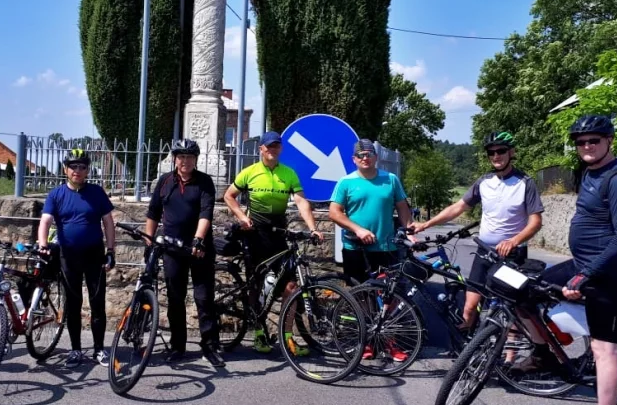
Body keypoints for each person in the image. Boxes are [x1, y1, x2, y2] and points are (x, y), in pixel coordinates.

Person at [539, 115, 617, 405]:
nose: (586, 147)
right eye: (581, 142)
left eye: (593, 141)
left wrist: (585, 276)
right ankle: (545, 354)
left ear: (609, 141)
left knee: (605, 350)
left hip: (608, 274)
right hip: (583, 265)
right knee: (527, 292)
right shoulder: (590, 173)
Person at [411, 131, 544, 331]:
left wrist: (514, 241)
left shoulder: (525, 183)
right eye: (491, 153)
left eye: (501, 151)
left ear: (511, 152)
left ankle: (509, 358)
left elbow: (535, 221)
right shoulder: (484, 182)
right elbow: (457, 208)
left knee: (510, 309)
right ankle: (469, 352)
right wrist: (425, 225)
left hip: (512, 255)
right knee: (470, 306)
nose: (496, 156)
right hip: (484, 252)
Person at [223, 131, 323, 354]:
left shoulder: (288, 173)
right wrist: (242, 217)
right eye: (269, 146)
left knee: (291, 287)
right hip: (254, 236)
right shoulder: (250, 172)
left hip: (279, 236)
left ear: (281, 149)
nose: (272, 150)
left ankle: (287, 338)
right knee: (255, 285)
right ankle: (259, 333)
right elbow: (229, 195)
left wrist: (313, 228)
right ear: (261, 149)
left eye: (276, 146)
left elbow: (300, 201)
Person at [145, 139, 224, 368]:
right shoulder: (165, 181)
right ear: (174, 159)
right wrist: (149, 243)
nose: (185, 161)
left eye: (190, 157)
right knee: (175, 299)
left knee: (204, 298)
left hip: (199, 250)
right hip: (172, 249)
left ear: (195, 160)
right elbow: (153, 213)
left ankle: (209, 346)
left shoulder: (204, 182)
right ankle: (178, 346)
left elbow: (205, 213)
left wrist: (198, 240)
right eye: (181, 157)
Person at [37, 148, 115, 368]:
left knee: (97, 303)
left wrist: (111, 251)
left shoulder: (97, 192)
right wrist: (43, 245)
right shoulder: (56, 194)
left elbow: (108, 222)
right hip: (68, 257)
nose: (77, 171)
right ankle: (76, 350)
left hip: (94, 255)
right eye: (73, 166)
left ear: (88, 170)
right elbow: (45, 221)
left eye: (82, 167)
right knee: (73, 304)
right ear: (65, 169)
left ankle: (99, 349)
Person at [330, 139, 414, 286]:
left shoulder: (390, 179)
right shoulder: (345, 182)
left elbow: (402, 207)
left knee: (388, 293)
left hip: (385, 246)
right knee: (358, 294)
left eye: (369, 154)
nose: (365, 158)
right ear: (354, 159)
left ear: (376, 157)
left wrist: (410, 232)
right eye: (360, 155)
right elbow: (334, 212)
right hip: (355, 248)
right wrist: (358, 230)